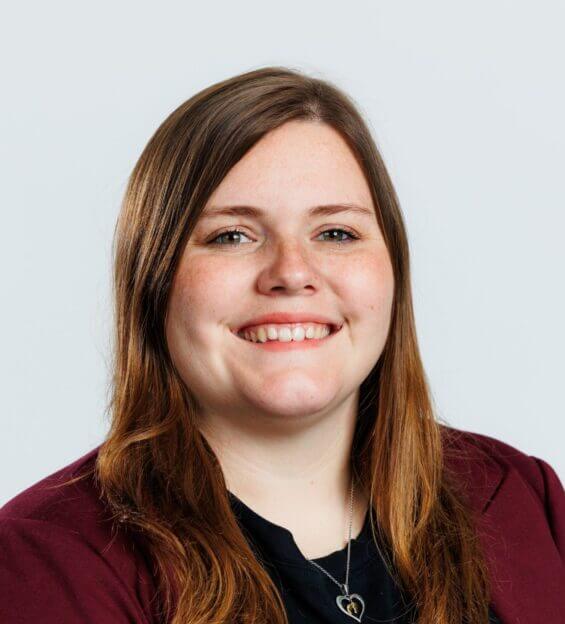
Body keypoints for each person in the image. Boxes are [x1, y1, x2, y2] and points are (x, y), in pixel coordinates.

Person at [0, 66, 563, 624]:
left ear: (393, 270)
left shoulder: (524, 500)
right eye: (232, 236)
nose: (292, 273)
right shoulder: (48, 562)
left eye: (336, 233)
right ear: (154, 281)